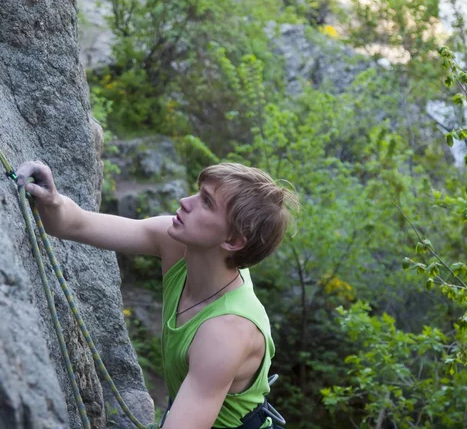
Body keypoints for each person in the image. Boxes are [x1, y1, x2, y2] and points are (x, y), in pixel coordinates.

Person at [16, 161, 298, 429]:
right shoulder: (177, 243)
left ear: (233, 241)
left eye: (206, 202)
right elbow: (74, 224)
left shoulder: (226, 332)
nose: (185, 202)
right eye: (198, 192)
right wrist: (52, 199)